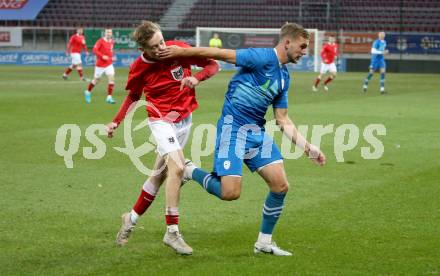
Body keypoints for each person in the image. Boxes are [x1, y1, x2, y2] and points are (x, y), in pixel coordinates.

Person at [159, 23, 326, 256]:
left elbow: (282, 119)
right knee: (230, 193)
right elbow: (218, 53)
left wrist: (308, 147)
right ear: (287, 42)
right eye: (302, 46)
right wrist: (181, 52)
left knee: (280, 186)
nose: (305, 51)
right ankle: (190, 170)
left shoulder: (284, 77)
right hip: (233, 129)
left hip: (256, 133)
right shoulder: (260, 57)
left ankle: (264, 243)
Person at [105, 21, 219, 255]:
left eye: (162, 42)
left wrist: (197, 78)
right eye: (155, 46)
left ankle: (131, 218)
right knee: (176, 169)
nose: (162, 48)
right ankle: (172, 232)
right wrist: (116, 121)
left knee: (158, 175)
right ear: (143, 50)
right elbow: (134, 96)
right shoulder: (139, 67)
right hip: (160, 121)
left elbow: (212, 65)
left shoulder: (177, 49)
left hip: (184, 119)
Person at [84, 28, 116, 104]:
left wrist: (112, 57)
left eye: (110, 32)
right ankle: (88, 92)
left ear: (111, 34)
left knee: (111, 78)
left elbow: (110, 51)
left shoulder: (112, 41)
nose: (109, 33)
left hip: (109, 64)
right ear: (105, 33)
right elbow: (94, 50)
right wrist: (102, 56)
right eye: (107, 32)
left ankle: (109, 97)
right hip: (100, 65)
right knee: (96, 80)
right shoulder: (100, 41)